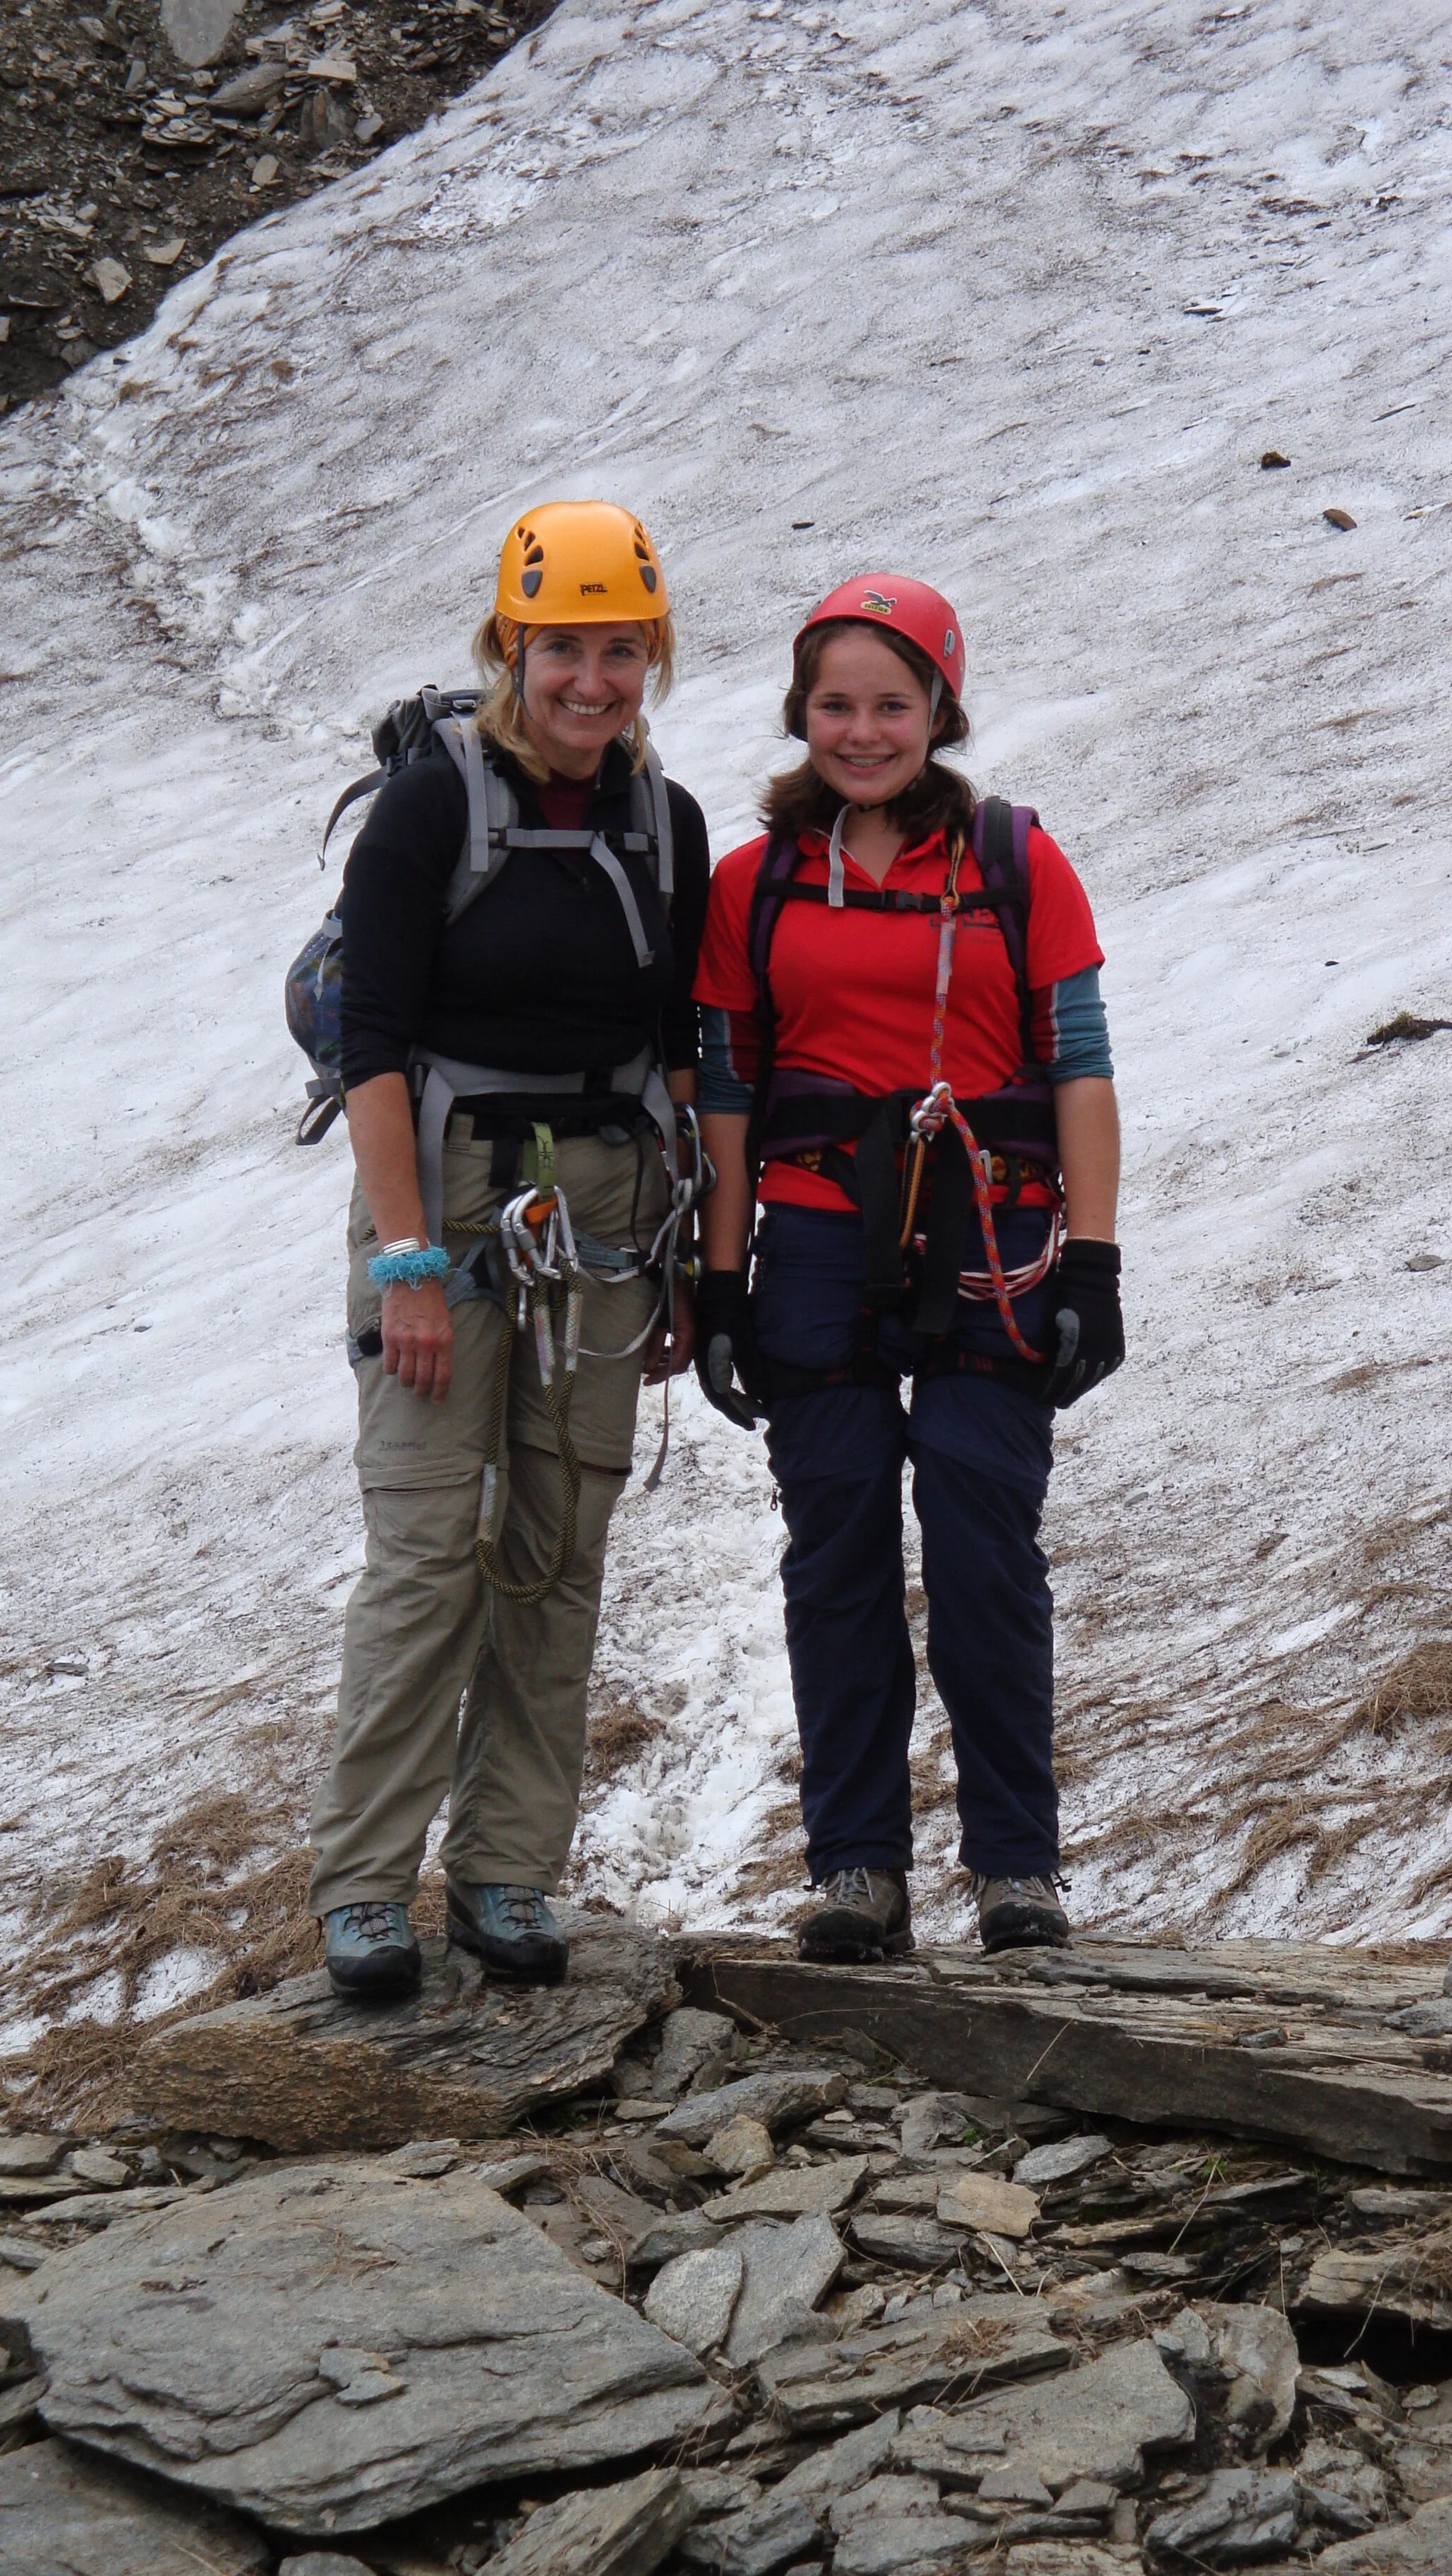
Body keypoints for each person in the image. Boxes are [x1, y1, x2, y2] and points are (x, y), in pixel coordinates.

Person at [309, 501, 708, 1999]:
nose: (590, 680)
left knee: (558, 1547)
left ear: (649, 654)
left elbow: (676, 1051)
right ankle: (362, 1887)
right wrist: (406, 1263)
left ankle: (503, 1873)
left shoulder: (667, 825)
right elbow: (374, 1042)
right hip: (449, 1197)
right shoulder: (433, 806)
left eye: (619, 649)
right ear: (510, 647)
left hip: (601, 1208)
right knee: (428, 1553)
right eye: (562, 649)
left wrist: (676, 1265)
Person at [692, 573, 1123, 1963]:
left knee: (985, 1539)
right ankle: (859, 1872)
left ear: (941, 705)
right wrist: (718, 1281)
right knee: (835, 1549)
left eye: (893, 702)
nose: (863, 730)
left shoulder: (1015, 861)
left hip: (992, 1237)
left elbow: (1081, 1066)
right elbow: (727, 1092)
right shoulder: (751, 882)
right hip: (813, 1244)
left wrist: (1098, 1265)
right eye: (836, 703)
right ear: (800, 710)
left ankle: (1016, 1873)